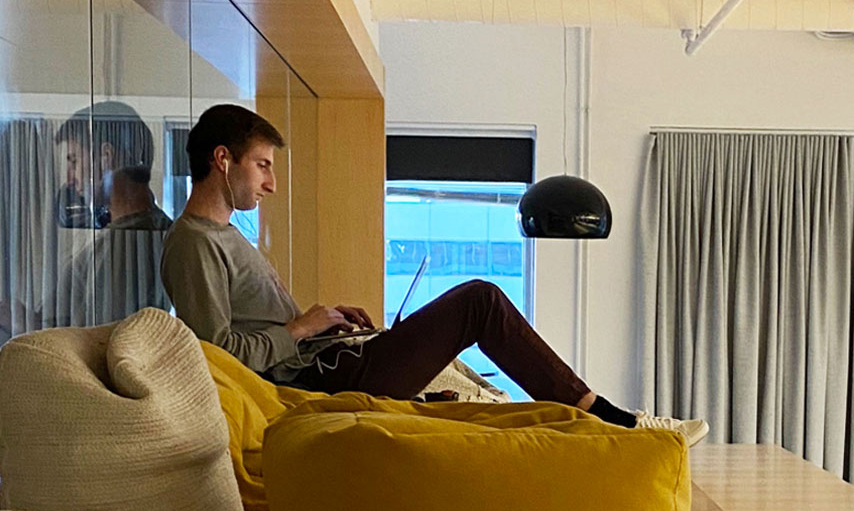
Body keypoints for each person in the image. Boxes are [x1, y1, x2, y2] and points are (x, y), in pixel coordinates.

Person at [160, 103, 707, 445]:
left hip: (330, 360)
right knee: (480, 301)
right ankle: (610, 418)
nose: (272, 183)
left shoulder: (228, 236)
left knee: (473, 336)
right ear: (223, 159)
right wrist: (301, 329)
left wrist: (322, 323)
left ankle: (595, 418)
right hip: (323, 382)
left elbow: (255, 330)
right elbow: (217, 354)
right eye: (263, 165)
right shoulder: (194, 242)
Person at [55, 102, 173, 326]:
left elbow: (101, 336)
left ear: (106, 156)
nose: (70, 179)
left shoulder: (134, 244)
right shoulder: (129, 235)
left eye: (74, 161)